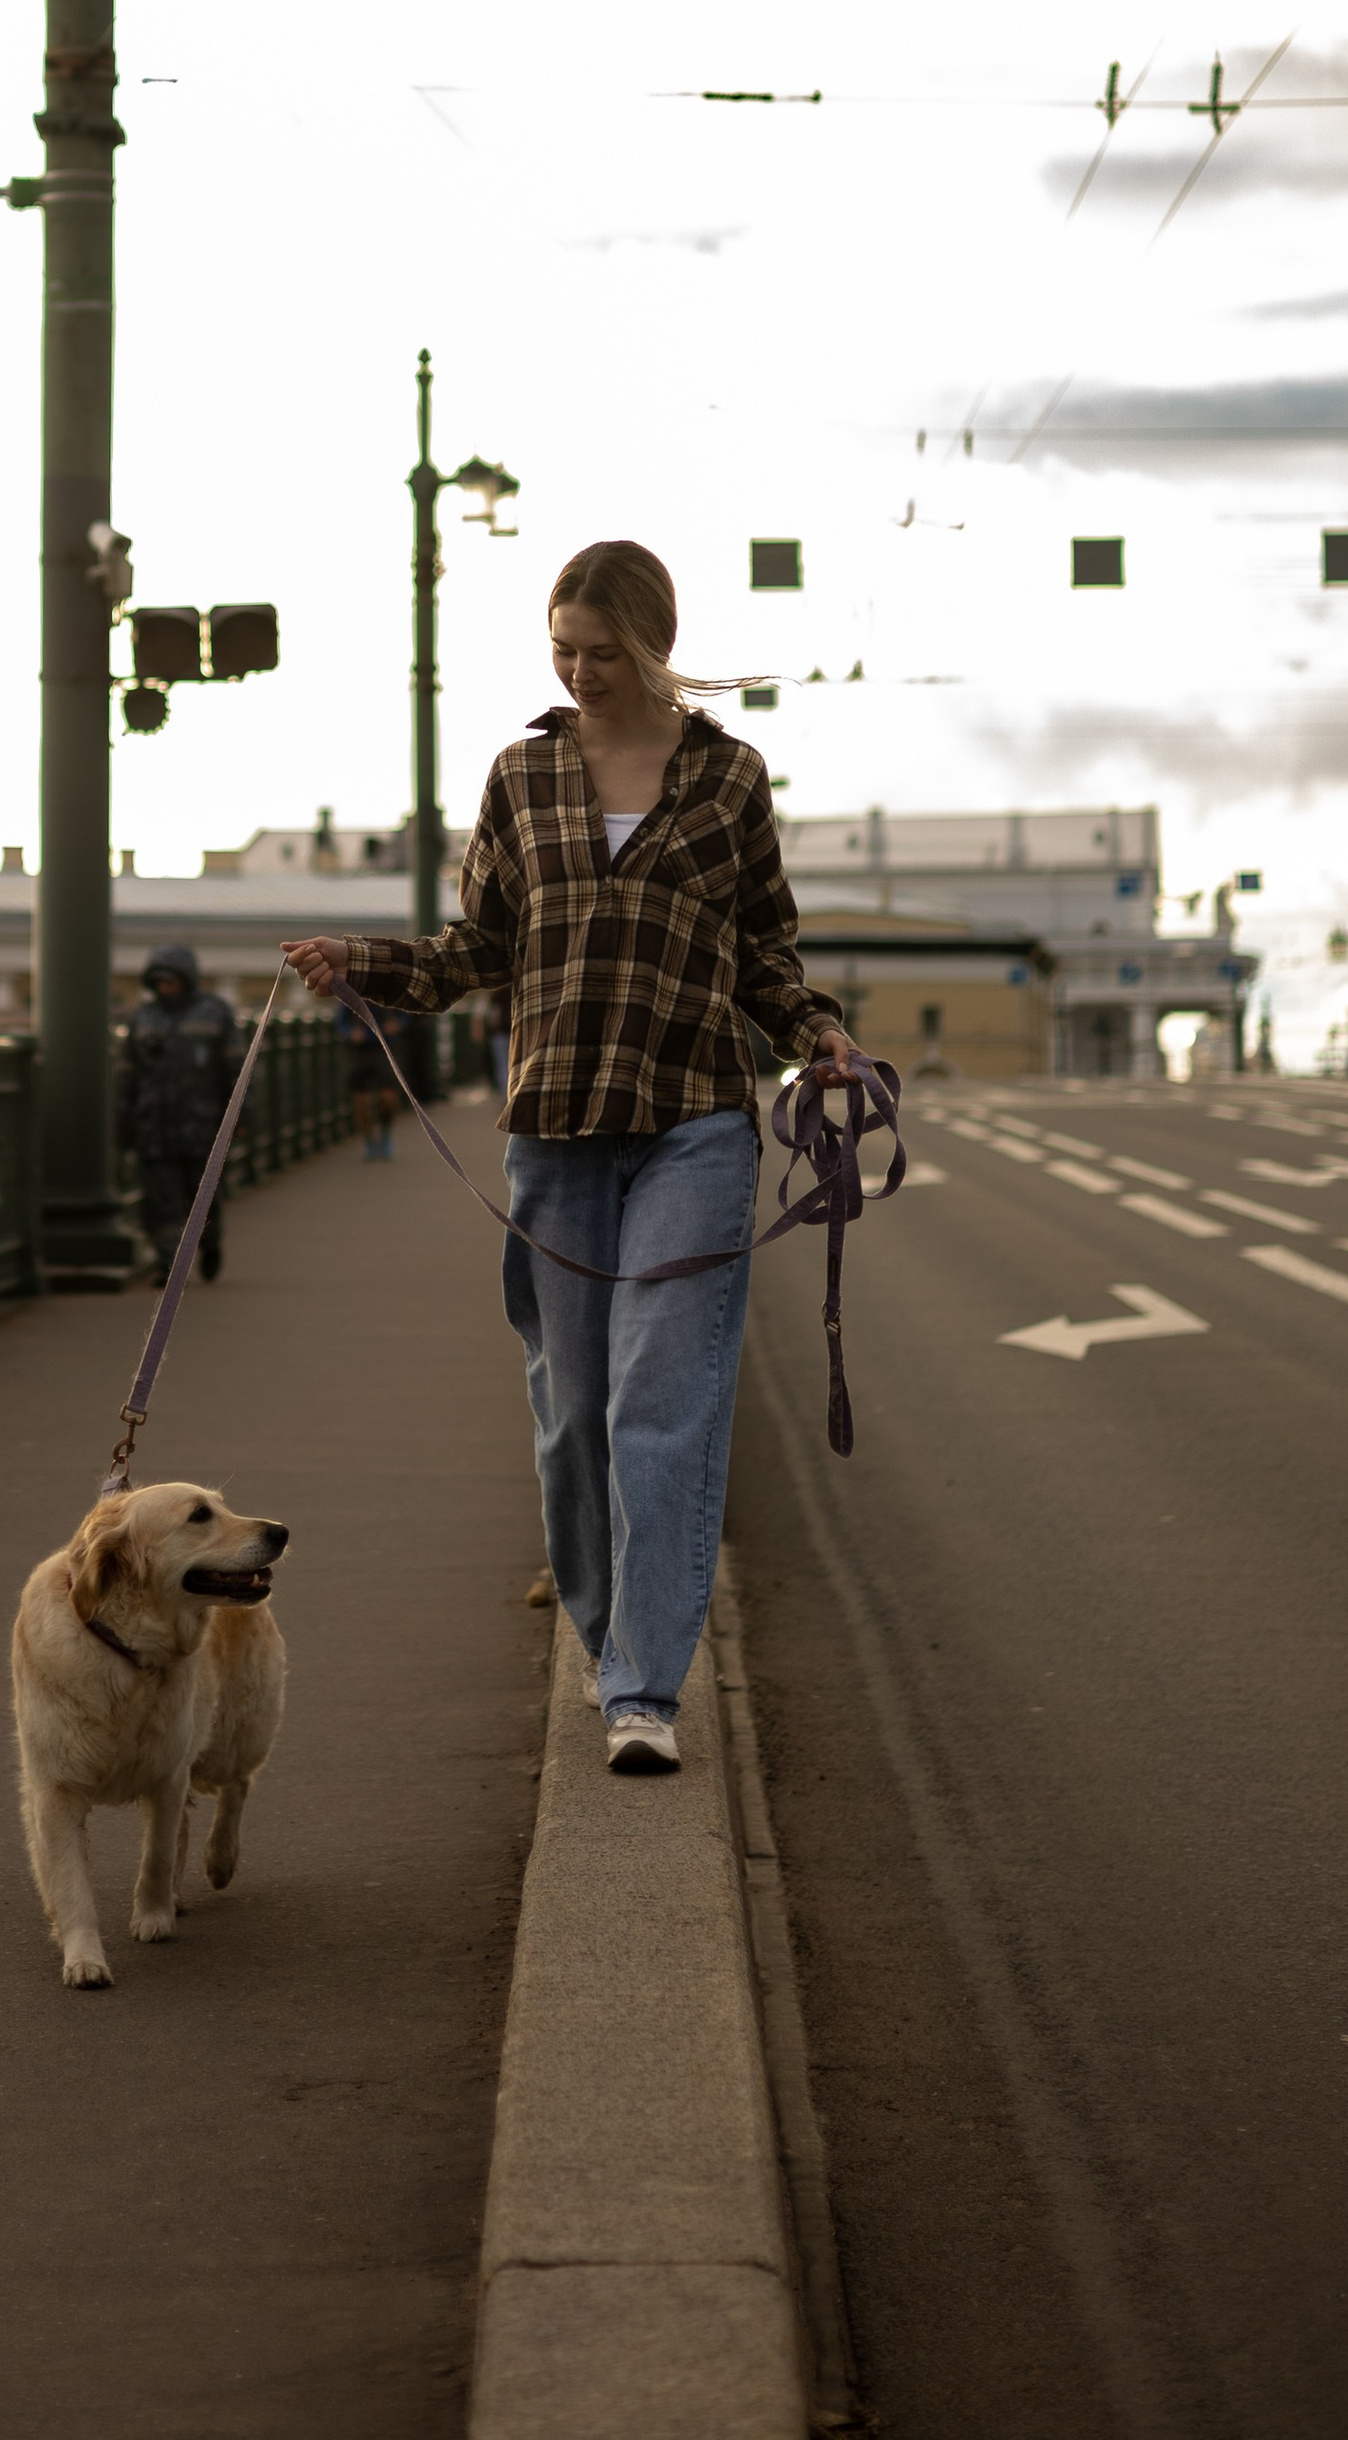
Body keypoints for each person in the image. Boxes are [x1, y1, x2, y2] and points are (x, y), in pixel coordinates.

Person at [285, 538, 858, 1776]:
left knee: (660, 1401)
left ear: (652, 647)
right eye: (563, 650)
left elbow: (765, 957)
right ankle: (603, 1643)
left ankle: (644, 1686)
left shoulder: (728, 780)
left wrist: (815, 1037)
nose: (581, 672)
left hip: (694, 1120)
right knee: (570, 1417)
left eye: (604, 652)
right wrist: (362, 964)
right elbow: (472, 947)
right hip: (553, 1126)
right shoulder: (524, 773)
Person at [118, 944, 243, 1285]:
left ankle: (210, 1242)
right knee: (161, 1200)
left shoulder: (214, 1013)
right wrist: (124, 1118)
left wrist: (240, 1116)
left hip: (203, 1126)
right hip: (154, 1124)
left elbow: (237, 1068)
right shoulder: (143, 1017)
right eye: (158, 980)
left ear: (186, 980)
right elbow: (128, 1073)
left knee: (203, 1196)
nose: (164, 986)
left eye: (171, 980)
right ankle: (168, 1265)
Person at [340, 994, 401, 1157]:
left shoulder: (391, 987)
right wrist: (350, 1033)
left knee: (388, 1098)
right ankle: (369, 1141)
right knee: (361, 1101)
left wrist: (396, 1025)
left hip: (384, 1050)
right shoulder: (352, 990)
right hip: (361, 1052)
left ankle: (386, 1135)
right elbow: (339, 1021)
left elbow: (406, 1015)